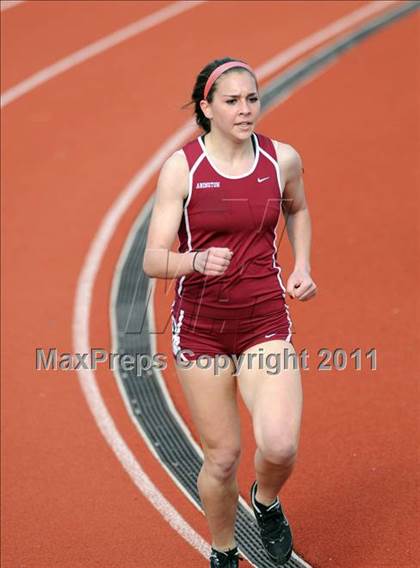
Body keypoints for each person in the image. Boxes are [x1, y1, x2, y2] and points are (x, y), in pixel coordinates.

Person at [143, 57, 317, 568]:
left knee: (280, 445)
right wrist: (194, 259)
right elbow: (153, 259)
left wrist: (302, 263)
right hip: (201, 332)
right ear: (207, 108)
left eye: (252, 99)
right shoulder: (183, 168)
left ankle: (265, 501)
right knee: (221, 460)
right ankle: (223, 553)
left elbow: (298, 208)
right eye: (232, 101)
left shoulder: (280, 159)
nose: (245, 111)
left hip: (264, 319)